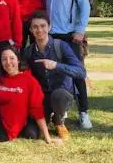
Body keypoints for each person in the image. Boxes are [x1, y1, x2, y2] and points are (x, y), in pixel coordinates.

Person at [43, 0, 92, 130]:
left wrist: (80, 30)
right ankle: (58, 111)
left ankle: (84, 113)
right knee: (54, 74)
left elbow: (84, 6)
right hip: (52, 36)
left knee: (77, 74)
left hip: (71, 36)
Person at [23, 11, 86, 140]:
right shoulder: (28, 51)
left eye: (43, 26)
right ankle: (46, 118)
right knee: (31, 134)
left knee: (59, 95)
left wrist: (57, 65)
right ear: (30, 30)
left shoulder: (61, 46)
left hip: (62, 95)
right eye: (35, 27)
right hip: (42, 98)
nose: (39, 30)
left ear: (49, 27)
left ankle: (59, 122)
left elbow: (81, 72)